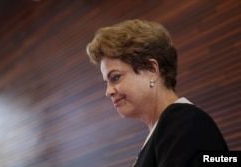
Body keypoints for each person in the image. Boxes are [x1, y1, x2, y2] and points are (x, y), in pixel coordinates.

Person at [86, 19, 228, 167]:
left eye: (116, 77)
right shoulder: (165, 130)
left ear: (152, 70)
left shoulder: (183, 122)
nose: (108, 91)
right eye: (106, 83)